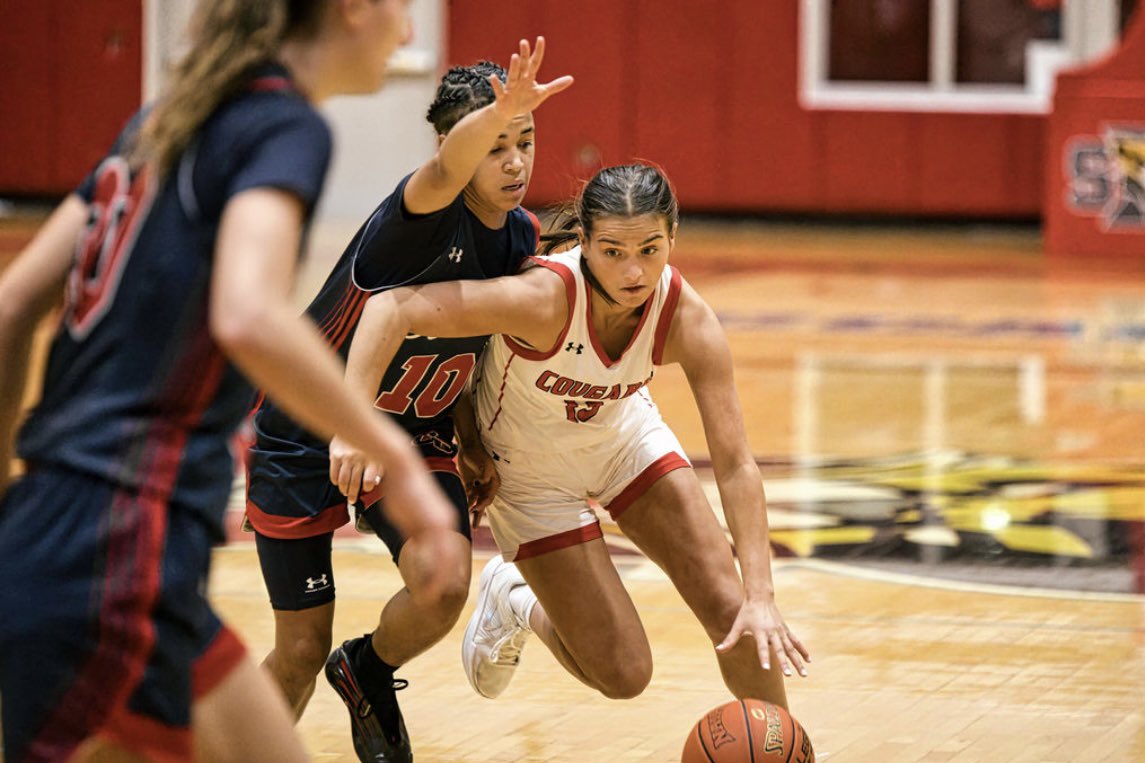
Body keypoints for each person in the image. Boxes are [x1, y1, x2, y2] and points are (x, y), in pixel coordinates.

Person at [0, 2, 459, 762]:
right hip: (118, 547)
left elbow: (12, 308)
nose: (408, 33)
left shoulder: (163, 122)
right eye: (399, 7)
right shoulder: (285, 126)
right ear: (349, 10)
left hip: (65, 536)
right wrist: (396, 456)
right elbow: (248, 313)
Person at [331, 163, 810, 713]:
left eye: (650, 250)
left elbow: (736, 466)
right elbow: (390, 307)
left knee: (741, 616)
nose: (634, 272)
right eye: (613, 252)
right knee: (625, 673)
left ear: (673, 237)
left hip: (622, 440)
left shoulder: (687, 318)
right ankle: (514, 596)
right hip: (531, 476)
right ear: (583, 241)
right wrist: (353, 425)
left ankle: (783, 748)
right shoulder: (543, 297)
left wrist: (762, 595)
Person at [244, 38, 572, 763]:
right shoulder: (417, 211)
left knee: (445, 580)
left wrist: (473, 436)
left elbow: (470, 343)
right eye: (496, 146)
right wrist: (482, 128)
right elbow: (446, 166)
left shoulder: (522, 238)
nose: (515, 162)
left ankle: (365, 669)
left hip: (411, 434)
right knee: (298, 649)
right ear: (457, 145)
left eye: (525, 140)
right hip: (307, 429)